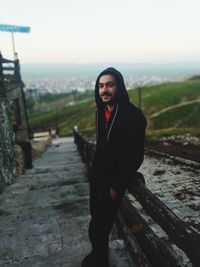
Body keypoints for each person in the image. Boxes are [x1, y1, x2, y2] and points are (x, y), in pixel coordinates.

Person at [82, 67, 147, 267]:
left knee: (100, 226)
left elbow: (135, 156)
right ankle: (98, 254)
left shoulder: (133, 116)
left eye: (110, 85)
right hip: (98, 178)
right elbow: (102, 146)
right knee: (95, 222)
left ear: (119, 87)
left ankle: (100, 260)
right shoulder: (101, 112)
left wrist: (117, 187)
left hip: (113, 184)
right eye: (101, 86)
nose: (104, 90)